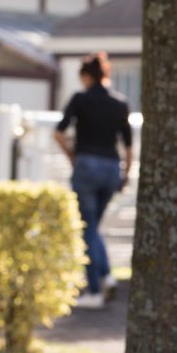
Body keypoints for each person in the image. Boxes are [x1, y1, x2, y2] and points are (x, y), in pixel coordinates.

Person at [53, 52, 133, 310]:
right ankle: (105, 276)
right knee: (93, 227)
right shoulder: (120, 102)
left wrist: (73, 157)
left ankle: (97, 288)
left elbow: (58, 133)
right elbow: (129, 148)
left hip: (87, 164)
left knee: (87, 227)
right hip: (111, 167)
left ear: (86, 76)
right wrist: (125, 175)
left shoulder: (80, 99)